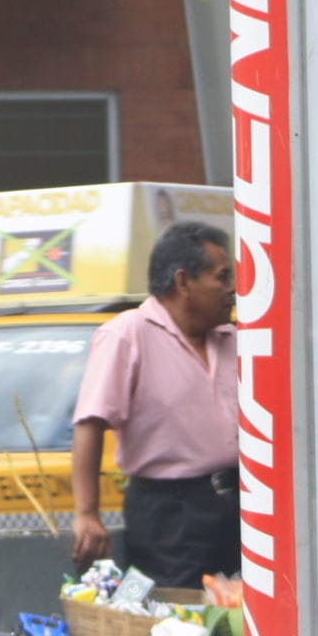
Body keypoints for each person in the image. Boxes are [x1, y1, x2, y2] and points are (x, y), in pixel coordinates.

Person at [70, 220, 239, 588]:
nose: (233, 289)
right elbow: (90, 423)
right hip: (171, 513)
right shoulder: (128, 334)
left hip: (241, 502)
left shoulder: (234, 337)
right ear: (184, 282)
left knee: (245, 617)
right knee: (179, 625)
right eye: (222, 277)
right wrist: (87, 514)